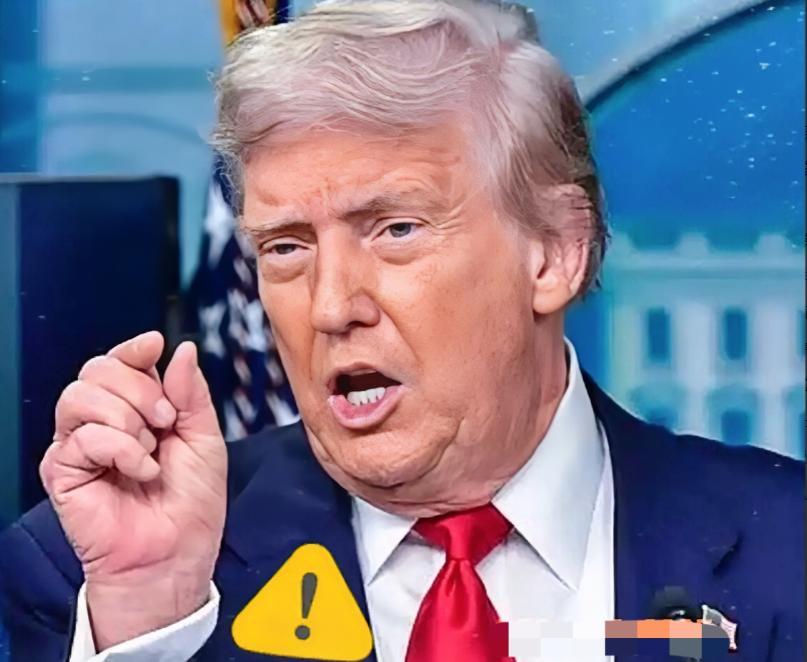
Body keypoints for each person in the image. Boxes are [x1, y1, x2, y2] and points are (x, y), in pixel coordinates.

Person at [0, 1, 803, 661]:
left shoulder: (786, 549)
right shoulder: (99, 576)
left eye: (394, 230)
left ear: (555, 252)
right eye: (286, 247)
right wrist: (151, 627)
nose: (330, 306)